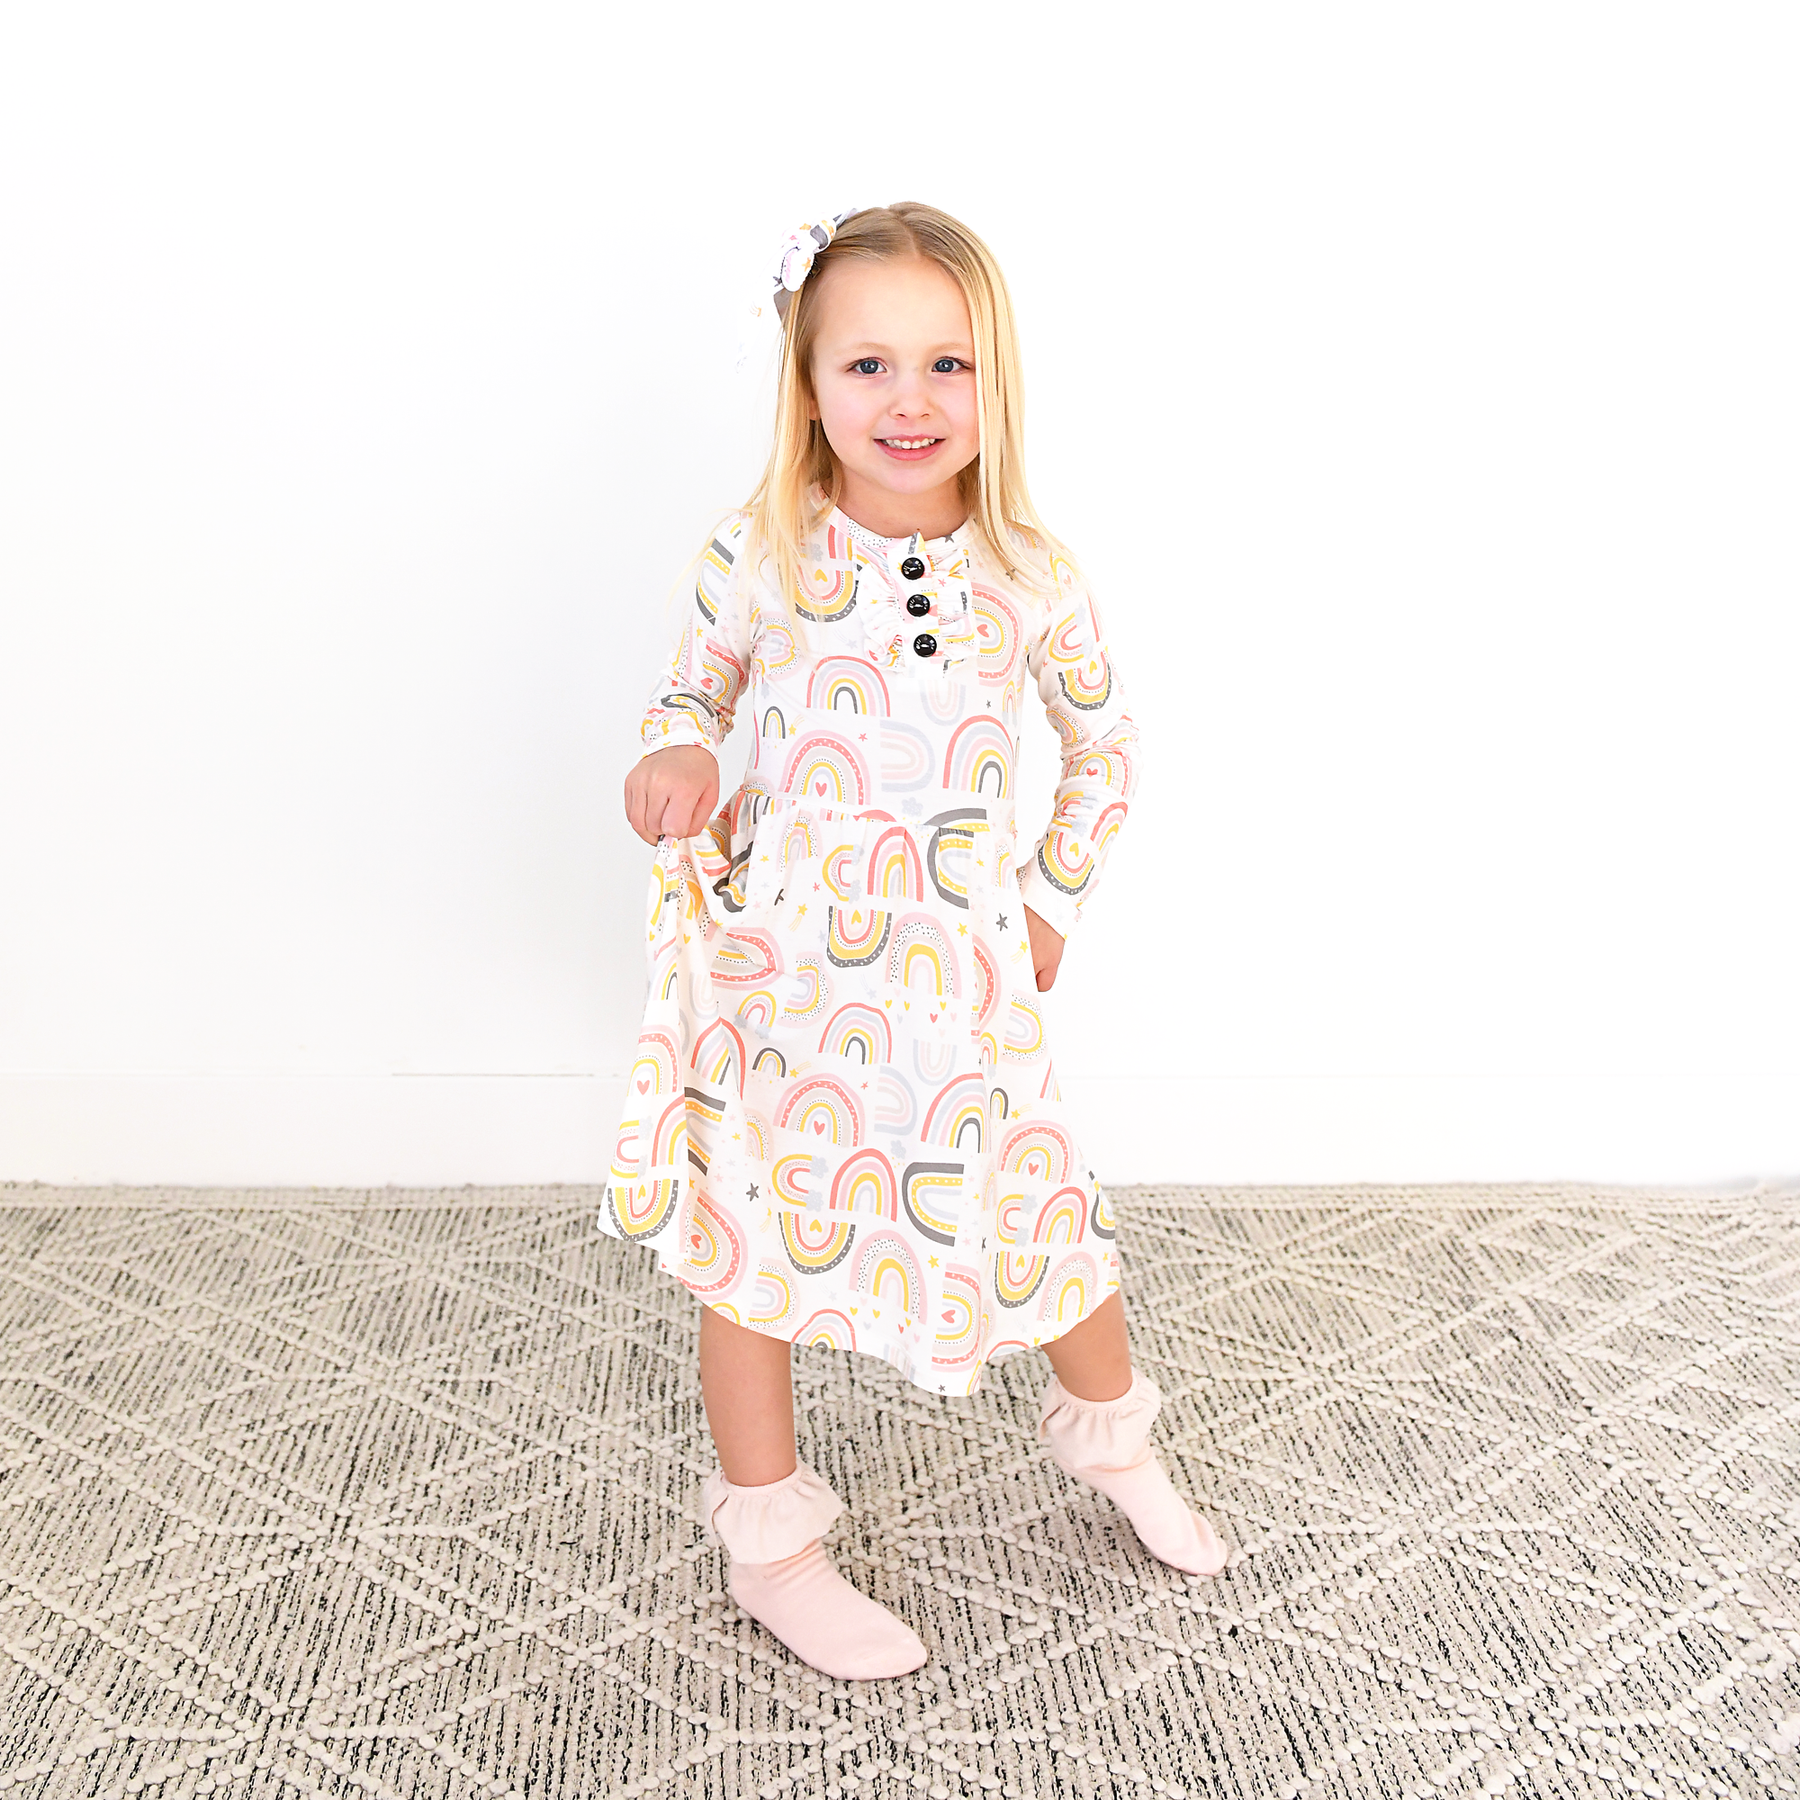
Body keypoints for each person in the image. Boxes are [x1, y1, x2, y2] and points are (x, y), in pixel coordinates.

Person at [604, 202, 1227, 1681]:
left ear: (993, 377)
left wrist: (1051, 898)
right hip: (787, 982)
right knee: (752, 1248)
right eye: (868, 364)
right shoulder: (762, 553)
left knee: (1045, 1216)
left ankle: (1112, 1439)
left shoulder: (1030, 570)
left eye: (947, 363)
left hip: (962, 981)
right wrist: (676, 754)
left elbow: (1106, 747)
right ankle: (772, 1545)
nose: (910, 400)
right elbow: (691, 698)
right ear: (809, 381)